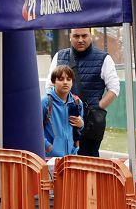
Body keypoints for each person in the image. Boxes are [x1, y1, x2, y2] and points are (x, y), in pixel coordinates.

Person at [47, 27, 120, 157]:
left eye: (84, 36)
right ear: (70, 36)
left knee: (89, 164)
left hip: (90, 124)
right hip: (63, 123)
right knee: (64, 163)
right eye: (76, 36)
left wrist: (96, 108)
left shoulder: (104, 58)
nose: (80, 40)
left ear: (90, 36)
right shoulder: (59, 56)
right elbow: (49, 87)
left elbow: (114, 88)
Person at [42, 65, 84, 158]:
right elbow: (35, 130)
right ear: (53, 82)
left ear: (72, 82)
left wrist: (81, 124)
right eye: (61, 79)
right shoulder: (45, 103)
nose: (65, 82)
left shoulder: (77, 102)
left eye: (68, 79)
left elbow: (80, 127)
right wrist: (48, 147)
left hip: (71, 155)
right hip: (50, 157)